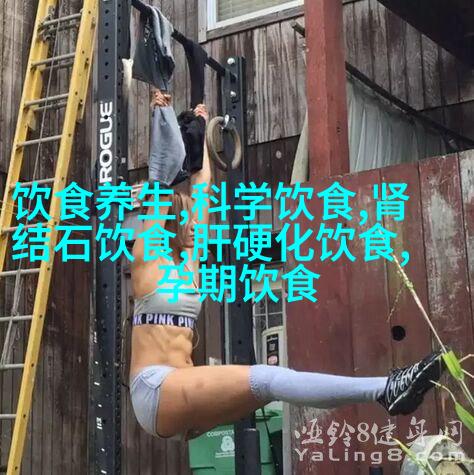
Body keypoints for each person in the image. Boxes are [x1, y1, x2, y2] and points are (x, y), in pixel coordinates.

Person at [129, 90, 445, 440]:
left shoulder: (190, 262)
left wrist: (201, 131)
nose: (195, 225)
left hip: (181, 392)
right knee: (268, 378)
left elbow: (202, 186)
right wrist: (162, 119)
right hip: (155, 389)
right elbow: (160, 186)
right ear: (168, 225)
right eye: (186, 220)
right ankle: (386, 390)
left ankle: (387, 390)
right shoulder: (148, 259)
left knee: (270, 388)